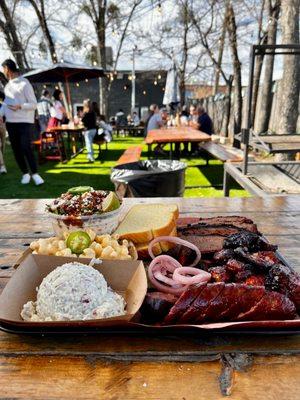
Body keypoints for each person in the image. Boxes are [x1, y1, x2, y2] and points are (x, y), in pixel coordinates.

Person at [0, 59, 44, 185]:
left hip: (25, 122)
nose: (3, 71)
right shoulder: (8, 86)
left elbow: (34, 104)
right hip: (10, 123)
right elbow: (5, 105)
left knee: (26, 147)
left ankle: (35, 174)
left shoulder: (25, 83)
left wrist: (20, 106)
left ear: (7, 68)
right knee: (16, 149)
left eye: (3, 69)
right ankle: (25, 173)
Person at [81, 98, 97, 162]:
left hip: (88, 130)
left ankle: (91, 156)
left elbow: (83, 121)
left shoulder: (86, 113)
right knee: (89, 143)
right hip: (94, 130)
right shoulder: (93, 112)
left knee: (88, 144)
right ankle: (89, 155)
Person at [0, 90, 6, 174]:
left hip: (3, 125)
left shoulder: (3, 105)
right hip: (3, 125)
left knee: (2, 145)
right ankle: (2, 165)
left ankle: (2, 163)